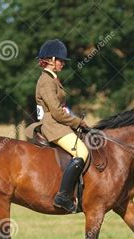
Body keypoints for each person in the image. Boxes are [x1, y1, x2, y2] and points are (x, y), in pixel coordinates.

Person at [34, 39, 89, 212]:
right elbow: (57, 112)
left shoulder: (53, 79)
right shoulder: (46, 81)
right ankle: (63, 197)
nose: (63, 63)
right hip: (54, 126)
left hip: (60, 124)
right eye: (60, 60)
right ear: (50, 60)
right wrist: (78, 122)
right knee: (82, 152)